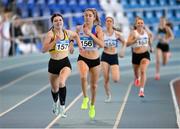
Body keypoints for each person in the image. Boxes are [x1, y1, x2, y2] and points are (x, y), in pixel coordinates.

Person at [42, 13, 83, 117]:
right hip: (53, 64)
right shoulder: (50, 35)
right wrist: (54, 41)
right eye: (56, 20)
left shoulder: (66, 32)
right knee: (54, 89)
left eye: (60, 20)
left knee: (62, 82)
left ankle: (63, 108)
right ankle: (55, 102)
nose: (58, 22)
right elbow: (43, 50)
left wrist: (75, 45)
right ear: (53, 23)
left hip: (65, 62)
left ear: (63, 21)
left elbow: (76, 35)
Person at [76, 8, 104, 119]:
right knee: (83, 76)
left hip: (95, 60)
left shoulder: (97, 29)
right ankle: (85, 98)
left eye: (89, 15)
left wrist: (91, 35)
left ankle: (92, 106)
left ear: (94, 17)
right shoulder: (79, 28)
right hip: (83, 57)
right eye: (86, 15)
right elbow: (73, 37)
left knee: (94, 86)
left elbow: (102, 44)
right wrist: (72, 45)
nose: (87, 17)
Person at [101, 16, 126, 102]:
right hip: (105, 56)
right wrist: (102, 45)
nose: (108, 22)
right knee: (106, 78)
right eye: (107, 21)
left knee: (116, 79)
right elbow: (98, 43)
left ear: (112, 23)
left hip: (114, 56)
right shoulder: (102, 33)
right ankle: (108, 95)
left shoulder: (117, 34)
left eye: (110, 21)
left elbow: (124, 42)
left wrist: (122, 50)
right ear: (105, 23)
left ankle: (113, 71)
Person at [127, 17, 153, 97]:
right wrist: (135, 40)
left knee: (143, 71)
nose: (140, 24)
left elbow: (149, 40)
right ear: (136, 24)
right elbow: (127, 44)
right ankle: (137, 78)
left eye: (142, 23)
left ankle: (141, 90)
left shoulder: (146, 32)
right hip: (136, 55)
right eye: (139, 23)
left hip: (145, 54)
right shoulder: (133, 33)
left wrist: (151, 47)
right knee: (136, 73)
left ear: (143, 24)